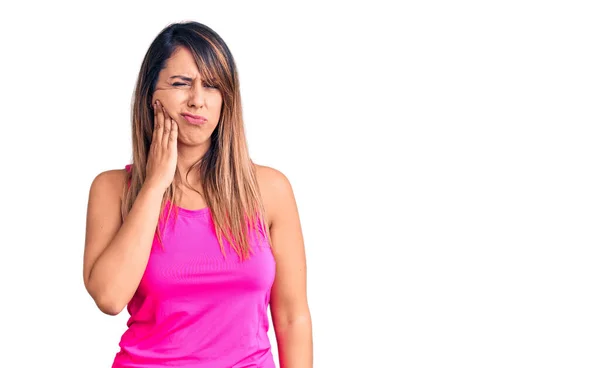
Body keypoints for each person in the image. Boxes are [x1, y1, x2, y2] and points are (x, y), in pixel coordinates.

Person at [82, 21, 312, 367]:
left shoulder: (270, 190)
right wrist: (155, 183)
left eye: (213, 86)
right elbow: (110, 297)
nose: (197, 100)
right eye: (180, 83)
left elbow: (292, 318)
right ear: (150, 94)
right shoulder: (113, 189)